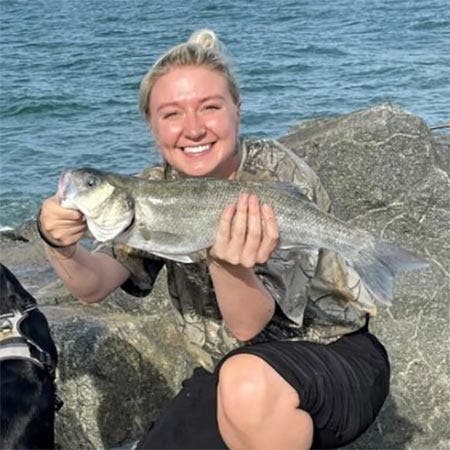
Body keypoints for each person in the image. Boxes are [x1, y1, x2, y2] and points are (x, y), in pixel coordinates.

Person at [38, 29, 390, 450]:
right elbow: (93, 286)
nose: (193, 129)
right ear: (151, 126)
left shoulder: (277, 177)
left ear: (237, 109)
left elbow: (247, 326)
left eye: (210, 107)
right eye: (171, 114)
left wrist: (227, 263)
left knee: (247, 384)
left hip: (331, 358)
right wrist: (58, 243)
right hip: (226, 374)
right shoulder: (152, 192)